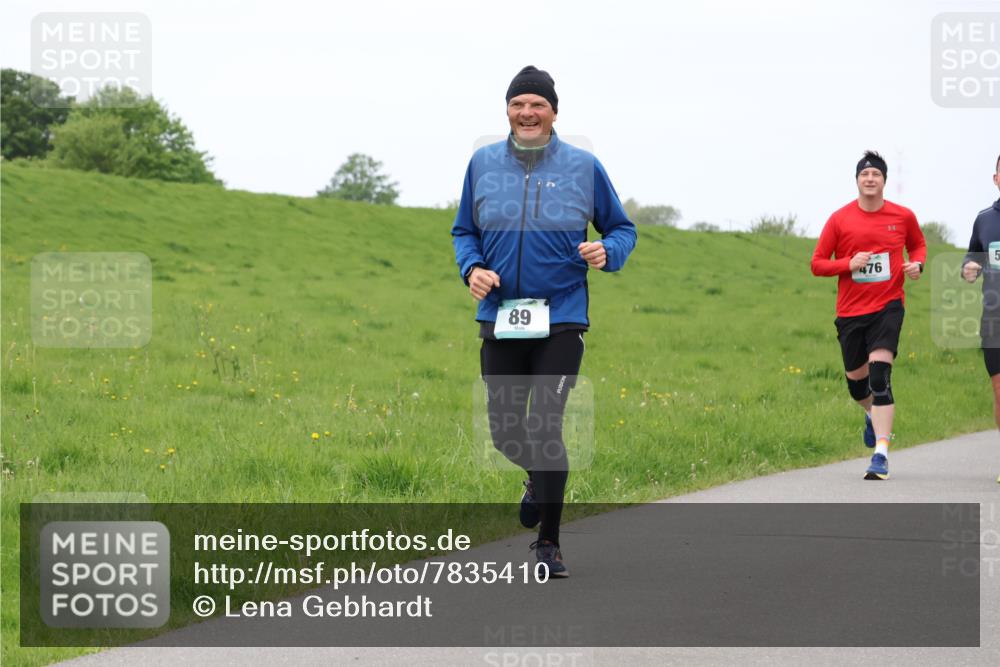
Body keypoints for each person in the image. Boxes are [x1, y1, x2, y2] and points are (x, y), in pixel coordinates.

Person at [451, 65, 637, 577]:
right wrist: (473, 269)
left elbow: (622, 229)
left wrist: (608, 250)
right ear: (506, 111)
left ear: (554, 112)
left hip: (561, 317)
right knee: (507, 432)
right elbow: (463, 231)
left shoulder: (583, 166)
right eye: (518, 104)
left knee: (545, 426)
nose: (527, 113)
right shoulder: (482, 165)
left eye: (537, 104)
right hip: (501, 317)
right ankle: (537, 477)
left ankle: (548, 544)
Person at [811, 150, 927, 480]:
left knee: (879, 376)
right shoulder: (839, 219)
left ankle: (881, 453)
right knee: (857, 387)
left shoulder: (903, 216)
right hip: (850, 312)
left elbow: (918, 246)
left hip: (888, 306)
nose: (870, 178)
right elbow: (817, 263)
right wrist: (847, 264)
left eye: (876, 174)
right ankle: (870, 415)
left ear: (884, 181)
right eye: (865, 174)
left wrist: (917, 264)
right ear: (857, 180)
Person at [960, 153, 1000, 483]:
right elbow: (969, 260)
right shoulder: (984, 220)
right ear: (996, 179)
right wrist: (968, 270)